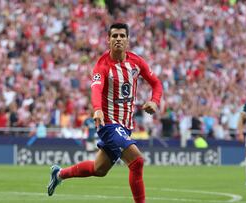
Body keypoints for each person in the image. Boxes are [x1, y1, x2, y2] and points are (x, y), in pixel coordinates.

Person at [47, 23, 163, 203]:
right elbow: (96, 89)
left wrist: (154, 101)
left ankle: (59, 174)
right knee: (137, 162)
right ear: (108, 40)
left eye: (122, 36)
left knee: (99, 169)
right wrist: (98, 109)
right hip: (108, 124)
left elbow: (156, 83)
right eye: (114, 36)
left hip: (125, 126)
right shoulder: (102, 66)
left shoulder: (137, 62)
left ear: (127, 40)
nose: (118, 39)